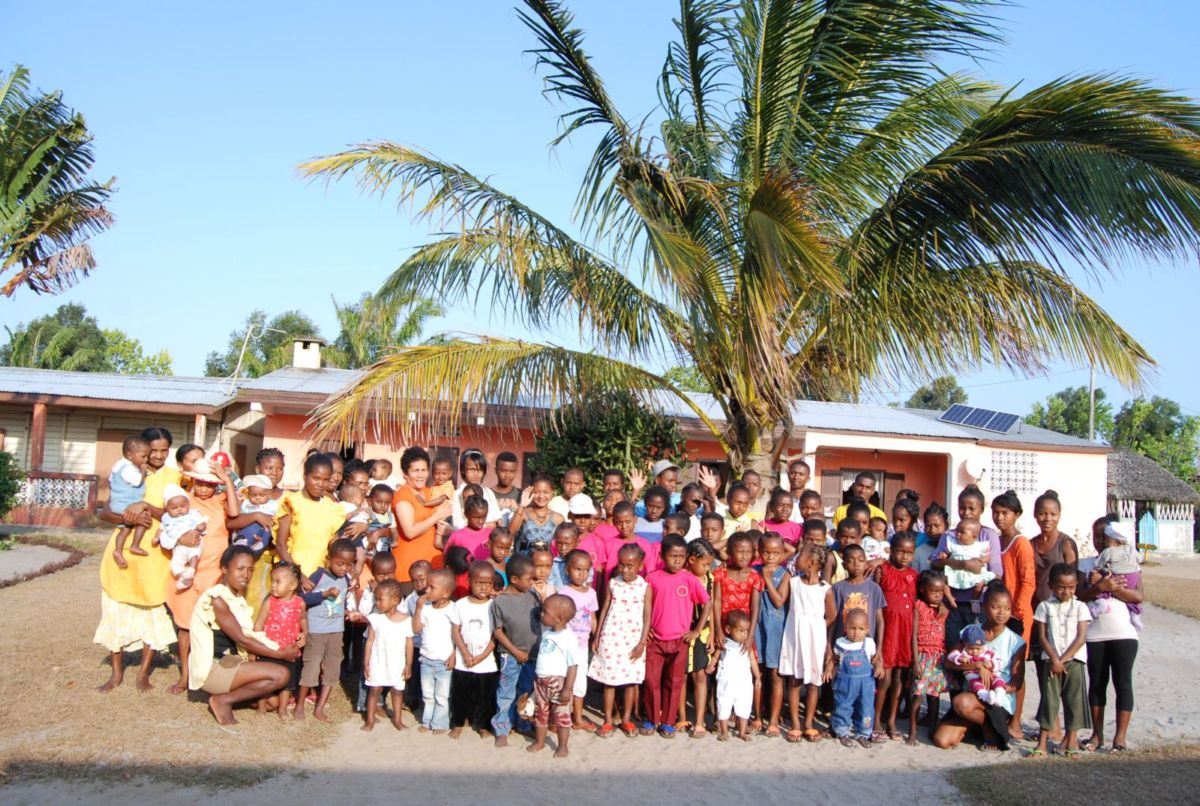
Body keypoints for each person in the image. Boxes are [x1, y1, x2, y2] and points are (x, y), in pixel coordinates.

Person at [95, 427, 178, 693]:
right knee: (116, 608)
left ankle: (143, 673)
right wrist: (125, 517)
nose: (158, 455)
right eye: (152, 450)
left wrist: (145, 508)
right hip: (123, 551)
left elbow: (175, 514)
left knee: (151, 610)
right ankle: (116, 673)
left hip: (154, 552)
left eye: (164, 450)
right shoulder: (124, 471)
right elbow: (105, 513)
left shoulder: (174, 477)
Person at [188, 546, 301, 725]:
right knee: (281, 675)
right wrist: (281, 654)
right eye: (240, 569)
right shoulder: (217, 599)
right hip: (214, 668)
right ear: (224, 569)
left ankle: (226, 695)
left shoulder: (236, 598)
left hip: (231, 662)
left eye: (250, 570)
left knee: (272, 703)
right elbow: (242, 639)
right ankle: (222, 700)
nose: (246, 575)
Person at [165, 457, 238, 696]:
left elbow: (235, 514)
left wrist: (226, 479)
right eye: (199, 483)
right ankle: (185, 674)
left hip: (214, 572)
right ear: (192, 481)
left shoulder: (221, 500)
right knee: (185, 626)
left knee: (212, 626)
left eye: (209, 484)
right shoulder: (184, 502)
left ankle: (209, 672)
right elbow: (169, 528)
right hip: (190, 572)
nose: (204, 489)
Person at [932, 583, 1028, 751]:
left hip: (997, 698)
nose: (1001, 613)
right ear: (983, 607)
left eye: (1006, 608)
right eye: (995, 607)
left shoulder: (1016, 642)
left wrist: (995, 687)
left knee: (962, 702)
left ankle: (991, 730)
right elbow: (949, 662)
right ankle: (983, 726)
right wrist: (975, 665)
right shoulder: (970, 631)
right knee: (942, 740)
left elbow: (1017, 682)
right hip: (973, 691)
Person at [1078, 516, 1143, 753]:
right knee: (1096, 684)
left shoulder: (1128, 562)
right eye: (1096, 536)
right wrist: (1099, 588)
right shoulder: (1085, 564)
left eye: (1104, 537)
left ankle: (1120, 738)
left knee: (1123, 683)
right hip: (1094, 634)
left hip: (1124, 633)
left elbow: (1138, 596)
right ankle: (1097, 736)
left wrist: (1112, 588)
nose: (1100, 541)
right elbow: (1079, 595)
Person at [643, 534, 712, 739]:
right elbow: (645, 605)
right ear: (663, 555)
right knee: (651, 680)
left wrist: (697, 631)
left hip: (680, 640)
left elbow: (707, 603)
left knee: (674, 683)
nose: (677, 560)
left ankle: (668, 722)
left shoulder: (689, 579)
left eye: (681, 556)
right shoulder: (652, 578)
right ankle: (652, 718)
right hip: (655, 639)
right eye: (673, 556)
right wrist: (646, 628)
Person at [589, 543, 652, 738]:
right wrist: (597, 635)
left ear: (640, 565)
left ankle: (626, 719)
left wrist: (642, 643)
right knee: (609, 681)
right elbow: (605, 607)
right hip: (611, 637)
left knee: (631, 682)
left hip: (633, 640)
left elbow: (647, 615)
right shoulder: (613, 583)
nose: (625, 570)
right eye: (622, 565)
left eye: (630, 566)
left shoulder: (645, 587)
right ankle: (608, 720)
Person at [1031, 562, 1091, 756]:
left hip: (1074, 661)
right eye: (1061, 587)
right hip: (1051, 661)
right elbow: (1042, 637)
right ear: (1051, 586)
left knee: (1074, 700)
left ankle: (1071, 742)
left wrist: (1063, 659)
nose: (1066, 591)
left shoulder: (1081, 607)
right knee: (1049, 700)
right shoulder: (1044, 607)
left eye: (1071, 587)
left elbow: (1081, 637)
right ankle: (1042, 743)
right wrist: (1055, 660)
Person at [297, 538, 356, 722]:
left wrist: (347, 611)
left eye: (349, 564)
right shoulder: (319, 576)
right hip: (316, 631)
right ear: (328, 559)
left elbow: (342, 601)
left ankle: (320, 708)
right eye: (340, 563)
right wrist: (324, 594)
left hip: (336, 631)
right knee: (311, 667)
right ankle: (299, 705)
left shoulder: (345, 579)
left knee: (332, 669)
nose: (344, 568)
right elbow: (302, 599)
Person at [712, 532, 763, 729]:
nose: (743, 556)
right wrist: (717, 630)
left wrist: (750, 636)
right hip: (724, 629)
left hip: (744, 633)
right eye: (739, 551)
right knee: (722, 673)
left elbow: (756, 607)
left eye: (747, 552)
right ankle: (721, 715)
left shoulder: (754, 576)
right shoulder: (721, 573)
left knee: (747, 673)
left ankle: (749, 715)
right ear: (729, 552)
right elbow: (716, 602)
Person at [276, 454, 355, 579]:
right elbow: (281, 544)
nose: (320, 484)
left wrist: (350, 569)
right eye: (316, 478)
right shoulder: (292, 503)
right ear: (305, 476)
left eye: (326, 480)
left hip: (319, 576)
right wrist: (298, 575)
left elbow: (333, 542)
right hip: (292, 575)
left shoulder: (330, 506)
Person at [491, 554, 542, 746]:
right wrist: (514, 651)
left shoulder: (533, 596)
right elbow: (498, 631)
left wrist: (543, 596)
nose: (533, 582)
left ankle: (523, 724)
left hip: (532, 655)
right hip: (510, 656)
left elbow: (542, 618)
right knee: (506, 692)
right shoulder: (500, 602)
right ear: (514, 579)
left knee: (526, 692)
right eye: (529, 579)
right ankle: (502, 728)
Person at [874, 531, 918, 741]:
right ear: (891, 550)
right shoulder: (882, 571)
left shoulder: (914, 576)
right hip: (887, 632)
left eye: (909, 553)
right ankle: (876, 719)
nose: (904, 556)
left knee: (900, 679)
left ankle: (891, 719)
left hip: (905, 633)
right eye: (900, 551)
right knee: (885, 678)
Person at [449, 561, 500, 739]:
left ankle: (483, 726)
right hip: (464, 661)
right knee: (460, 695)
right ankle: (458, 722)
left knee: (485, 697)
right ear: (469, 582)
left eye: (488, 583)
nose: (484, 587)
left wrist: (481, 656)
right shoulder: (460, 605)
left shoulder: (494, 606)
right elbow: (455, 631)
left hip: (486, 662)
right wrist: (465, 653)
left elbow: (496, 636)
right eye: (479, 583)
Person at [393, 447, 453, 595]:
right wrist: (436, 516)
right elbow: (410, 531)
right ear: (405, 474)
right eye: (416, 471)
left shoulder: (429, 492)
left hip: (434, 567)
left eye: (424, 470)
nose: (420, 475)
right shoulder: (403, 496)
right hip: (411, 572)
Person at [529, 594, 581, 758]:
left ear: (559, 618)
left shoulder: (569, 638)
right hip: (541, 682)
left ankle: (563, 746)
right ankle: (540, 742)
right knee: (541, 713)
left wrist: (568, 688)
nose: (541, 614)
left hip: (558, 684)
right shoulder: (547, 633)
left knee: (561, 715)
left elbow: (573, 666)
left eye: (545, 612)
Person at [253, 562, 307, 718]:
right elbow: (258, 624)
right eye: (272, 581)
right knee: (265, 680)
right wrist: (256, 645)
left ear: (292, 585)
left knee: (288, 684)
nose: (273, 586)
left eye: (278, 582)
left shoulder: (300, 603)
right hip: (269, 650)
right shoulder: (269, 602)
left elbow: (303, 620)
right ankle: (261, 707)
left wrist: (305, 633)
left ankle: (282, 709)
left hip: (290, 650)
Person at [361, 578, 415, 732]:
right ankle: (370, 720)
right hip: (378, 661)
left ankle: (397, 720)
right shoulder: (375, 618)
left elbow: (409, 643)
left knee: (397, 691)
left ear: (395, 600)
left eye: (380, 599)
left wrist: (409, 664)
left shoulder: (406, 620)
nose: (377, 603)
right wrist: (366, 662)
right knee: (374, 690)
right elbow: (370, 641)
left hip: (397, 663)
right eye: (376, 599)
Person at [828, 608, 882, 747]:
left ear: (867, 628)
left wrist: (879, 666)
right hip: (845, 683)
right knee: (843, 706)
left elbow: (874, 659)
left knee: (866, 708)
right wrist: (828, 670)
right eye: (852, 628)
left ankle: (863, 733)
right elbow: (834, 660)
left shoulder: (869, 643)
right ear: (845, 627)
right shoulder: (840, 643)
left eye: (861, 629)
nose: (856, 632)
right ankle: (842, 731)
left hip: (866, 685)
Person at [413, 569, 459, 734]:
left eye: (432, 588)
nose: (427, 590)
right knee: (427, 694)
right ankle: (427, 721)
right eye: (427, 587)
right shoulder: (425, 608)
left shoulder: (453, 609)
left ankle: (440, 723)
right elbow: (416, 629)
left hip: (444, 661)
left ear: (446, 592)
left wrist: (454, 654)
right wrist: (418, 609)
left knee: (442, 695)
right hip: (426, 659)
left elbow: (457, 635)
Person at [558, 550, 599, 731]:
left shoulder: (591, 593)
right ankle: (560, 717)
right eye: (577, 569)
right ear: (568, 570)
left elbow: (592, 617)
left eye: (585, 570)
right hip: (565, 646)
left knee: (580, 682)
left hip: (582, 646)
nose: (582, 574)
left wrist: (595, 637)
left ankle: (578, 718)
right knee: (562, 680)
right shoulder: (563, 592)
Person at [908, 570, 950, 745]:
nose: (938, 595)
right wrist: (916, 661)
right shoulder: (918, 606)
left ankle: (933, 729)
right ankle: (912, 731)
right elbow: (914, 634)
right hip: (922, 656)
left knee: (934, 696)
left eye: (941, 592)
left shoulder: (943, 610)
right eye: (934, 592)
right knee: (917, 695)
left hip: (938, 657)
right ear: (924, 590)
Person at [680, 539, 716, 737]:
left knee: (700, 677)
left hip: (702, 634)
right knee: (681, 678)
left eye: (709, 564)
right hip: (682, 633)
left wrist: (714, 634)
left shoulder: (710, 579)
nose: (707, 567)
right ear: (691, 560)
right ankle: (682, 717)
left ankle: (700, 721)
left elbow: (714, 607)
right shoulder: (682, 577)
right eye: (704, 564)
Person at [756, 533, 790, 738]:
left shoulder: (785, 575)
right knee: (758, 674)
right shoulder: (753, 571)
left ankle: (774, 719)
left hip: (776, 629)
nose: (770, 557)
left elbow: (779, 601)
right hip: (757, 628)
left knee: (776, 676)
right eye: (766, 552)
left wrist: (767, 580)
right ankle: (758, 716)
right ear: (759, 553)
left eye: (776, 553)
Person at [716, 610, 760, 742]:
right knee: (723, 703)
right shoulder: (724, 644)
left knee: (744, 705)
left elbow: (752, 661)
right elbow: (716, 656)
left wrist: (757, 677)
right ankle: (724, 731)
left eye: (746, 631)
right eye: (740, 631)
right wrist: (712, 664)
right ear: (729, 629)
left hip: (744, 681)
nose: (744, 634)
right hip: (726, 681)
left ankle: (741, 732)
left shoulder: (746, 647)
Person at [1090, 524, 1144, 630]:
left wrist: (1100, 580)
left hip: (1118, 575)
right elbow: (1140, 558)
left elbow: (1098, 563)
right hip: (1132, 577)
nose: (1103, 542)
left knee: (1104, 583)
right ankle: (1135, 613)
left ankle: (1101, 604)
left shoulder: (1109, 551)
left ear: (1117, 541)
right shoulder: (1131, 549)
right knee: (1130, 597)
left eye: (1106, 539)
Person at [108, 434, 150, 569]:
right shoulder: (128, 468)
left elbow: (111, 481)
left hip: (117, 503)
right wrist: (143, 472)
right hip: (125, 504)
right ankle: (135, 545)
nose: (146, 460)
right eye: (143, 456)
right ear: (130, 455)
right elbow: (137, 481)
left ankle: (118, 551)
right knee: (145, 518)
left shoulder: (118, 466)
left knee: (125, 529)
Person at [158, 484, 207, 591]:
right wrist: (156, 538)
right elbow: (162, 529)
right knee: (175, 563)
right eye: (174, 508)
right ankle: (184, 577)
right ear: (166, 508)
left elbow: (202, 523)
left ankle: (191, 569)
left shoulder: (193, 514)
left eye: (183, 506)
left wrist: (201, 526)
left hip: (194, 540)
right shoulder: (166, 518)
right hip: (178, 546)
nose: (179, 510)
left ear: (188, 504)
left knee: (194, 554)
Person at [947, 624, 1010, 705]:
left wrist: (991, 664)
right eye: (971, 648)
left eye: (978, 649)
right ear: (965, 645)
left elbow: (1000, 662)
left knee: (998, 681)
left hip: (991, 676)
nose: (975, 651)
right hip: (974, 677)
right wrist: (959, 658)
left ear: (983, 645)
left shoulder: (988, 652)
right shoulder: (964, 653)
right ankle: (986, 697)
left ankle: (999, 695)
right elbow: (950, 656)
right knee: (977, 687)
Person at [509, 474, 562, 555]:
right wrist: (522, 505)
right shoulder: (523, 513)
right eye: (536, 492)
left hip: (546, 565)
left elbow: (561, 544)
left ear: (552, 493)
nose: (541, 496)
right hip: (523, 563)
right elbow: (510, 532)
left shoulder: (558, 518)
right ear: (531, 492)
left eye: (546, 492)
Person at [228, 474, 277, 557]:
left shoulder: (272, 504)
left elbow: (274, 519)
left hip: (263, 529)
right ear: (249, 494)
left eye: (262, 495)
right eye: (253, 495)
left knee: (268, 530)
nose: (257, 498)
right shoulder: (246, 504)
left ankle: (260, 544)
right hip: (246, 530)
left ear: (269, 494)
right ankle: (239, 541)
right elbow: (239, 515)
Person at [440, 495, 492, 560]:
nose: (481, 521)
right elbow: (447, 557)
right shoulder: (457, 536)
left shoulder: (491, 534)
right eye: (476, 517)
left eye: (484, 517)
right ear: (466, 514)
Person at [492, 451, 522, 527]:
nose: (507, 475)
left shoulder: (521, 495)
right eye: (503, 471)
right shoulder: (487, 494)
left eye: (512, 471)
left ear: (516, 471)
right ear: (496, 470)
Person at [785, 459, 812, 523]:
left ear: (808, 479)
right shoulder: (779, 500)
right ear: (788, 475)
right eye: (793, 473)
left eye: (801, 474)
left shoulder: (814, 502)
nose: (796, 477)